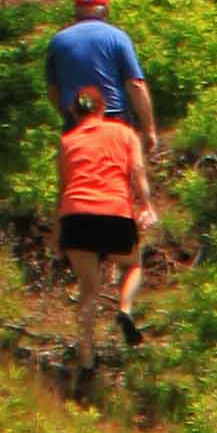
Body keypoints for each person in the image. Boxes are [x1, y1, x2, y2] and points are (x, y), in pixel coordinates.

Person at [54, 82, 155, 363]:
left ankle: (86, 360)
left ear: (75, 113)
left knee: (88, 290)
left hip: (76, 216)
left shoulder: (67, 142)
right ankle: (125, 308)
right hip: (114, 212)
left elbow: (62, 189)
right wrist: (146, 204)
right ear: (103, 107)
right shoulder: (124, 133)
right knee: (133, 263)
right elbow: (137, 172)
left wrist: (56, 232)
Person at [43, 0, 160, 167]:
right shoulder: (117, 37)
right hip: (114, 120)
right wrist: (149, 129)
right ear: (105, 9)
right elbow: (135, 85)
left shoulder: (58, 41)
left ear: (76, 10)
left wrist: (68, 114)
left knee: (81, 179)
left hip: (76, 122)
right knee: (117, 180)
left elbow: (53, 90)